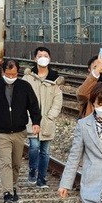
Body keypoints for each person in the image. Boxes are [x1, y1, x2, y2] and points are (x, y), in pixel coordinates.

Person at [0, 59, 41, 203]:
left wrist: (36, 122)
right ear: (3, 72)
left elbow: (33, 106)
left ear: (17, 72)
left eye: (13, 74)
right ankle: (7, 192)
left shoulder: (25, 87)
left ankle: (12, 186)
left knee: (16, 164)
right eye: (8, 74)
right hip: (1, 133)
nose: (11, 77)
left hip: (19, 132)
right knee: (5, 162)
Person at [22, 46, 64, 188]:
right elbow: (22, 98)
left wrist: (51, 116)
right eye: (40, 55)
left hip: (47, 121)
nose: (43, 57)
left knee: (45, 152)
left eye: (45, 55)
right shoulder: (28, 77)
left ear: (50, 58)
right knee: (33, 147)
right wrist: (27, 115)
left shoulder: (55, 79)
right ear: (35, 58)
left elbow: (58, 100)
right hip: (32, 120)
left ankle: (42, 178)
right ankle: (32, 171)